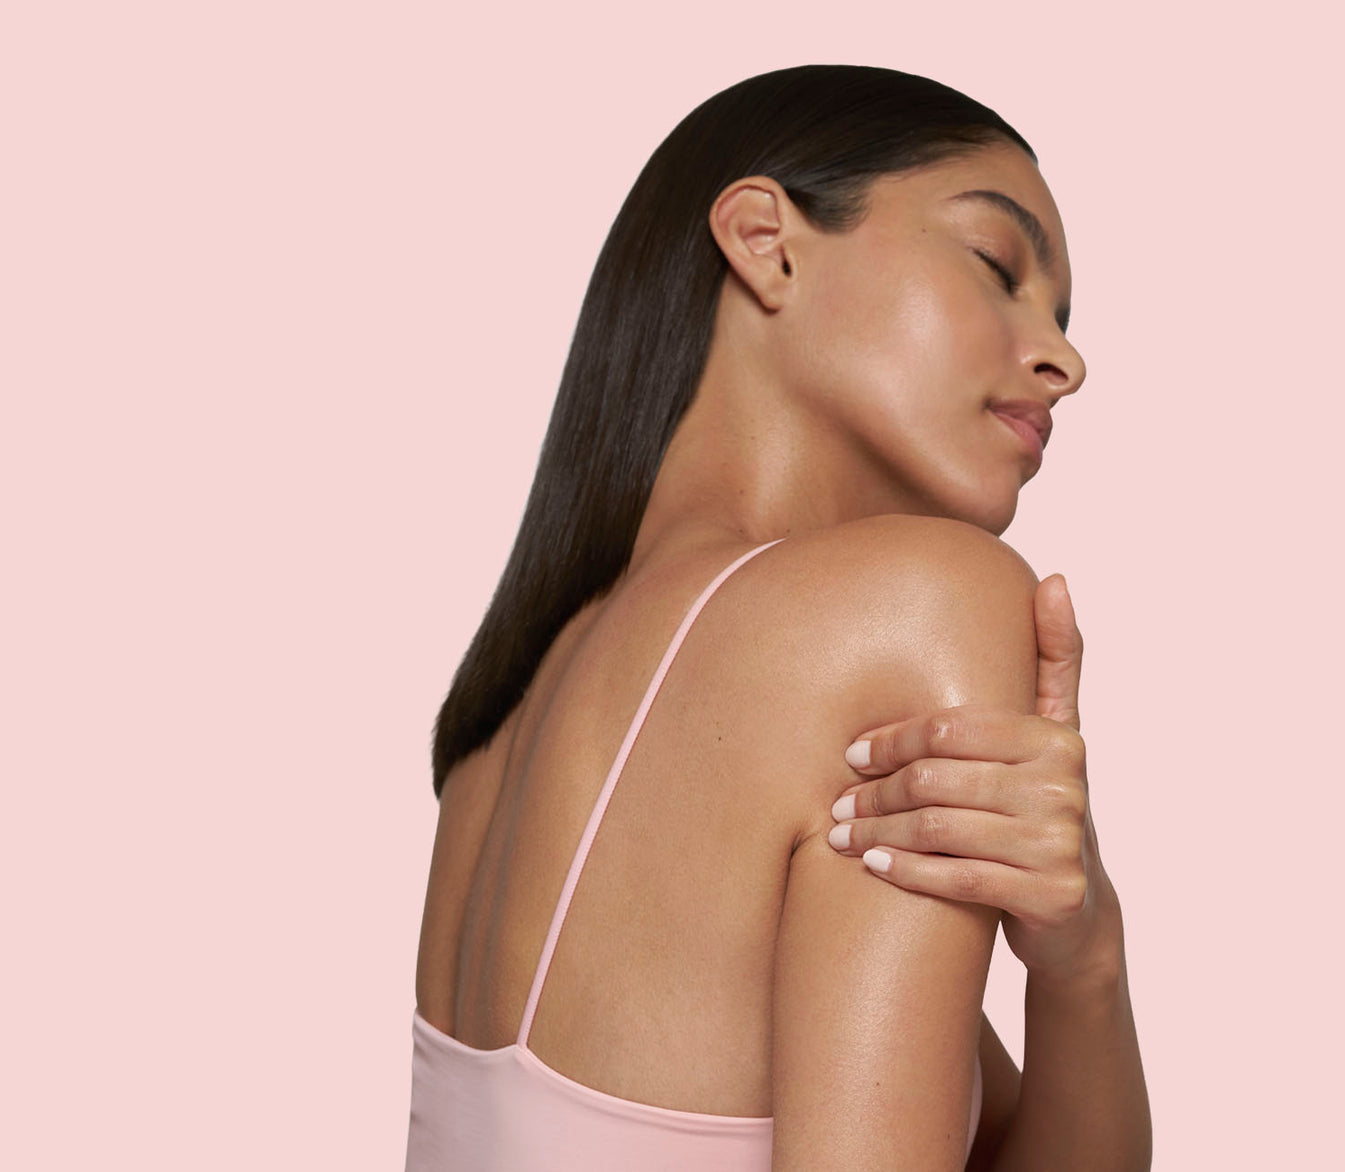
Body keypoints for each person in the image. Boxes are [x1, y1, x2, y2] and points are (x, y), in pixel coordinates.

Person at [407, 64, 1151, 1171]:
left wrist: (1082, 959)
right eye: (998, 266)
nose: (1063, 357)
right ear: (765, 240)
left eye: (1059, 315)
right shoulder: (919, 602)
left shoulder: (514, 703)